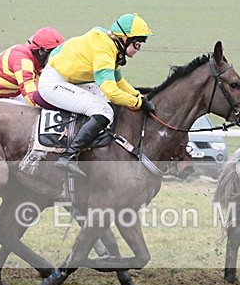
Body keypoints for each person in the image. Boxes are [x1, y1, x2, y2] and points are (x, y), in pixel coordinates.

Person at [37, 13, 156, 176]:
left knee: (106, 103)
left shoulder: (112, 45)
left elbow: (119, 82)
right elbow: (112, 92)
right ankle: (67, 156)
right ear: (124, 38)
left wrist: (138, 96)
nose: (138, 49)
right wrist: (138, 104)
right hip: (54, 83)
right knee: (104, 111)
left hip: (67, 79)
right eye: (136, 44)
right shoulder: (104, 50)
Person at [0, 27, 65, 109]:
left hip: (9, 94)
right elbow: (30, 93)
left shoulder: (35, 57)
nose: (56, 58)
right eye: (53, 54)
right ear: (41, 51)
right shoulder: (23, 60)